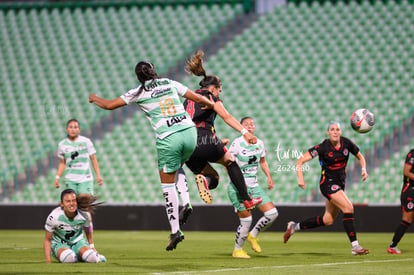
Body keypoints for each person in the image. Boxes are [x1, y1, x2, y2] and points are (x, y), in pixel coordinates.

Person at [88, 60, 215, 251]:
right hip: (190, 133)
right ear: (154, 71)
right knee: (178, 165)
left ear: (139, 77)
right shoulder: (169, 82)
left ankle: (175, 231)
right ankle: (187, 201)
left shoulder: (138, 92)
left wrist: (94, 97)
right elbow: (197, 99)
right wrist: (209, 104)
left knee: (167, 184)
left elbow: (108, 105)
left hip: (168, 137)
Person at [183, 50, 262, 211]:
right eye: (220, 89)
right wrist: (245, 132)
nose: (220, 92)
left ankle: (204, 180)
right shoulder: (210, 97)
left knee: (214, 177)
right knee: (230, 161)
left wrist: (216, 140)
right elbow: (227, 116)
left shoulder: (188, 98)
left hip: (185, 144)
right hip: (203, 137)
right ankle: (247, 200)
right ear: (213, 88)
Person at [283, 121, 369, 255]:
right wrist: (300, 178)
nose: (335, 132)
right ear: (328, 132)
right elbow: (300, 161)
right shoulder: (323, 147)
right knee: (348, 208)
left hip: (340, 185)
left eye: (338, 129)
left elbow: (360, 156)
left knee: (327, 220)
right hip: (327, 184)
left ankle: (294, 226)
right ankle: (355, 246)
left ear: (340, 132)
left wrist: (364, 169)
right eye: (332, 129)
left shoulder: (347, 143)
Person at [227, 117, 278, 259]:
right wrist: (236, 182)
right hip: (238, 188)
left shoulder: (259, 143)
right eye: (246, 124)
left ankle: (253, 235)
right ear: (241, 127)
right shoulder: (237, 143)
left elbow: (263, 161)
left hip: (254, 186)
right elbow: (228, 164)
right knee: (246, 220)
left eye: (252, 124)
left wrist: (269, 176)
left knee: (272, 213)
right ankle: (237, 250)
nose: (250, 126)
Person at [44, 189, 106, 263]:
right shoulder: (54, 217)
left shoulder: (85, 215)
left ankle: (94, 257)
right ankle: (78, 257)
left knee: (92, 258)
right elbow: (47, 240)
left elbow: (87, 228)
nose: (71, 203)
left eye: (73, 200)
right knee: (69, 258)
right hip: (59, 244)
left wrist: (92, 246)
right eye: (68, 201)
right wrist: (48, 261)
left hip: (78, 242)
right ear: (61, 204)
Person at [54, 118, 103, 195]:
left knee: (85, 203)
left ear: (79, 130)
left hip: (85, 179)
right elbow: (62, 163)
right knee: (73, 203)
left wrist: (98, 175)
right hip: (70, 179)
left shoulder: (86, 141)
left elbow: (93, 158)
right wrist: (57, 177)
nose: (73, 129)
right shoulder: (62, 144)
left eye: (75, 127)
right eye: (70, 127)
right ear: (67, 129)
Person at [387, 148, 414, 254]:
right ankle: (392, 246)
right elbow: (406, 172)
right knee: (407, 220)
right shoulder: (412, 154)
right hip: (410, 191)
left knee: (408, 221)